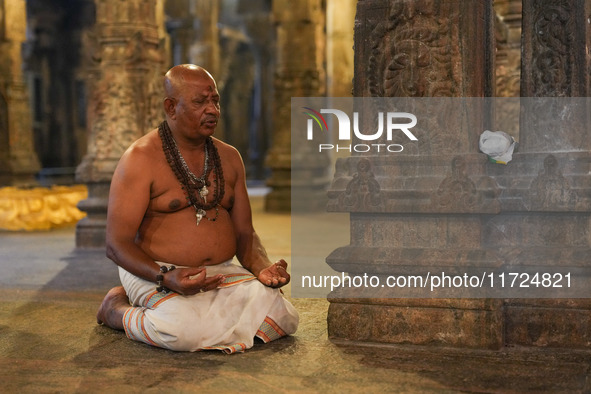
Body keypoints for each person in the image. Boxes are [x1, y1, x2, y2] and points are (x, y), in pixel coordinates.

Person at [96, 64, 298, 353]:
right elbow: (116, 245)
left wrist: (261, 266)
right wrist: (164, 276)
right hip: (155, 271)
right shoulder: (139, 159)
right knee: (181, 333)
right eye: (200, 102)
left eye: (215, 100)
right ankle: (115, 309)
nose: (213, 109)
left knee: (284, 316)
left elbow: (245, 233)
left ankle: (196, 315)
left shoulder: (229, 157)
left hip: (216, 272)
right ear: (171, 107)